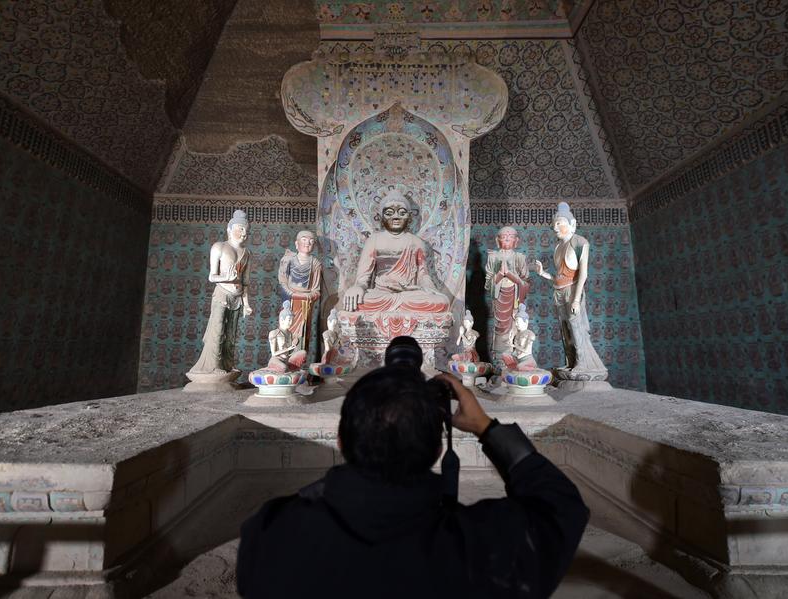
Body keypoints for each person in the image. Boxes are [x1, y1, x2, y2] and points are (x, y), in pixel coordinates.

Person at [236, 340, 589, 598]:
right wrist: (485, 425)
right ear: (438, 449)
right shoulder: (486, 548)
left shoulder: (272, 534)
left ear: (341, 440)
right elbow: (561, 508)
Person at [343, 188, 450, 313]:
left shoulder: (416, 242)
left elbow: (423, 274)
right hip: (380, 294)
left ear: (409, 217)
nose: (396, 217)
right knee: (360, 301)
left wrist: (431, 289)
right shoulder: (374, 240)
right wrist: (358, 287)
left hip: (410, 293)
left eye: (402, 213)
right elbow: (363, 277)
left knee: (442, 302)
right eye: (389, 213)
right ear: (382, 218)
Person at [534, 202, 607, 377]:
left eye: (559, 223)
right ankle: (571, 361)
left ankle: (583, 363)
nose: (555, 227)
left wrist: (576, 299)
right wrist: (543, 273)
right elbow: (559, 276)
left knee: (576, 326)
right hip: (558, 291)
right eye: (554, 224)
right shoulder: (558, 247)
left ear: (572, 224)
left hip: (573, 291)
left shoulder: (579, 242)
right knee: (564, 327)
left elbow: (583, 274)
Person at [187, 210, 252, 376]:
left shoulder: (247, 253)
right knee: (218, 330)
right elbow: (211, 276)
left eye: (246, 229)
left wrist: (247, 303)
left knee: (231, 334)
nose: (244, 233)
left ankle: (228, 365)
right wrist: (226, 277)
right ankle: (213, 366)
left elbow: (245, 282)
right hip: (222, 294)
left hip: (237, 298)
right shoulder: (220, 247)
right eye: (240, 228)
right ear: (229, 229)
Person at [485, 226, 530, 358]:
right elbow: (488, 284)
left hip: (514, 299)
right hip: (499, 299)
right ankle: (500, 359)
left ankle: (514, 355)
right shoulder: (493, 257)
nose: (507, 241)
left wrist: (511, 275)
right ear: (497, 240)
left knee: (515, 327)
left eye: (510, 238)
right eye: (504, 238)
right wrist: (499, 274)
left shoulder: (519, 257)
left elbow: (526, 283)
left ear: (516, 241)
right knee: (499, 328)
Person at [278, 230, 322, 352]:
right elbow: (282, 282)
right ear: (296, 243)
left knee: (302, 332)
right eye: (304, 239)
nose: (308, 243)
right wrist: (292, 294)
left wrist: (308, 296)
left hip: (304, 304)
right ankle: (283, 355)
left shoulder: (315, 263)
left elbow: (316, 290)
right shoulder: (288, 259)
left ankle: (298, 360)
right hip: (289, 301)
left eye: (311, 240)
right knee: (285, 326)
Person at [265, 301, 307, 372]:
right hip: (277, 359)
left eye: (292, 320)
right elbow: (274, 353)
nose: (291, 323)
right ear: (281, 319)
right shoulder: (274, 333)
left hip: (287, 359)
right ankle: (287, 369)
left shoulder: (289, 333)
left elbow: (290, 352)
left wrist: (294, 345)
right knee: (284, 368)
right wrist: (288, 349)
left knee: (303, 352)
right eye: (289, 320)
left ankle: (291, 369)